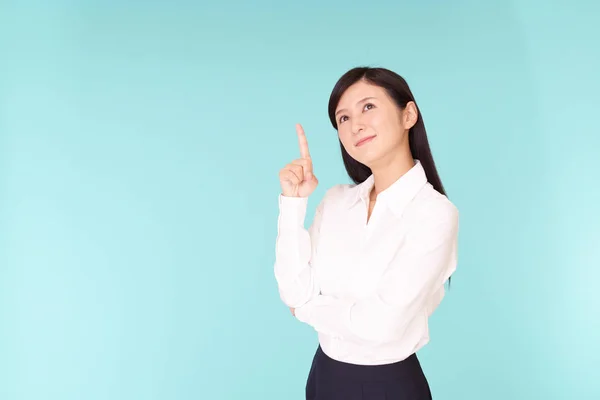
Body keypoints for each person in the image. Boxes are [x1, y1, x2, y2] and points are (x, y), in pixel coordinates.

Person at [274, 66, 459, 399]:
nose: (355, 124)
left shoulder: (434, 214)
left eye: (368, 107)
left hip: (387, 386)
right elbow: (293, 290)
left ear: (409, 115)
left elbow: (382, 325)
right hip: (324, 375)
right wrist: (292, 204)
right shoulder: (335, 201)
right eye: (342, 118)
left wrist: (307, 310)